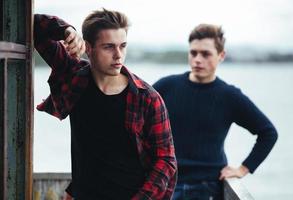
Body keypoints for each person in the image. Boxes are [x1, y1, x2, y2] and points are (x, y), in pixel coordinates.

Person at [34, 8, 177, 200]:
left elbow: (166, 161)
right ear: (89, 48)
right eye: (109, 47)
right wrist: (66, 31)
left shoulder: (147, 98)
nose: (118, 55)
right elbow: (35, 27)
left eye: (123, 46)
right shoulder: (75, 78)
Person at [153, 24, 278, 200]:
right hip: (165, 185)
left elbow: (268, 133)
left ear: (221, 56)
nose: (197, 59)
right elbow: (137, 124)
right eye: (193, 53)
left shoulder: (229, 96)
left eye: (205, 54)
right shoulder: (166, 87)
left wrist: (243, 169)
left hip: (207, 188)